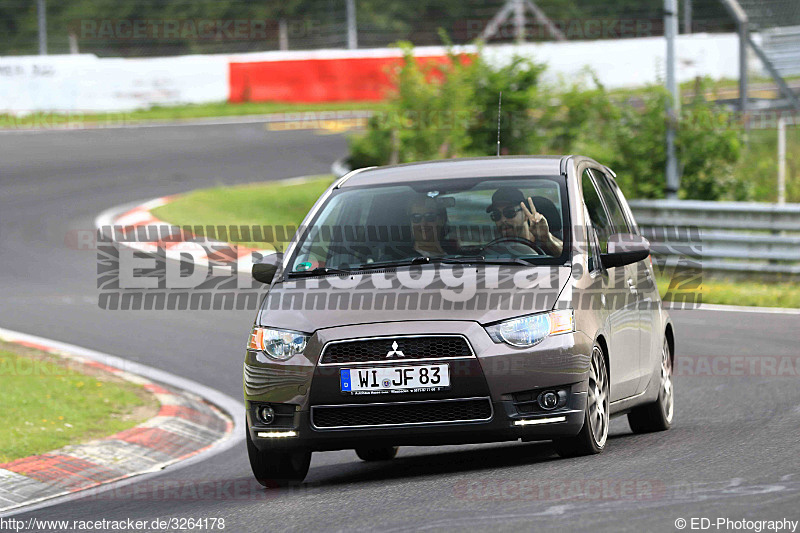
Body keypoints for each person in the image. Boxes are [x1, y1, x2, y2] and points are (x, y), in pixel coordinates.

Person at [486, 186, 563, 256]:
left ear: (525, 215)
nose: (503, 220)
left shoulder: (547, 242)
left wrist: (547, 239)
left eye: (509, 213)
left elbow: (569, 256)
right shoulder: (493, 250)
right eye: (496, 215)